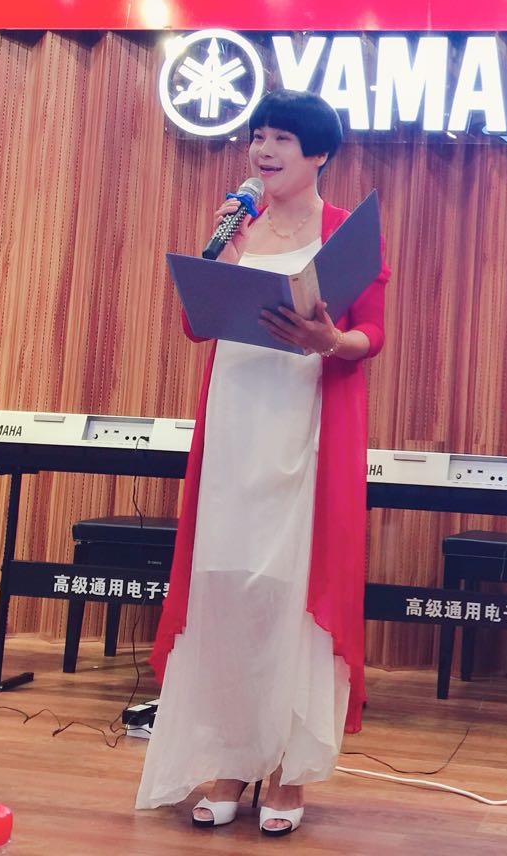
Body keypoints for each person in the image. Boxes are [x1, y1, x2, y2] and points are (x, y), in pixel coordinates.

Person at [136, 89, 390, 837]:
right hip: (236, 422)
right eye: (257, 137)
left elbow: (371, 334)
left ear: (318, 153)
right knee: (227, 584)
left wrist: (330, 342)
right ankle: (231, 759)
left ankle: (286, 770)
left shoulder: (346, 232)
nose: (264, 150)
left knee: (290, 588)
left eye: (281, 138)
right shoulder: (238, 225)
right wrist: (223, 252)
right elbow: (198, 323)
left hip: (306, 426)